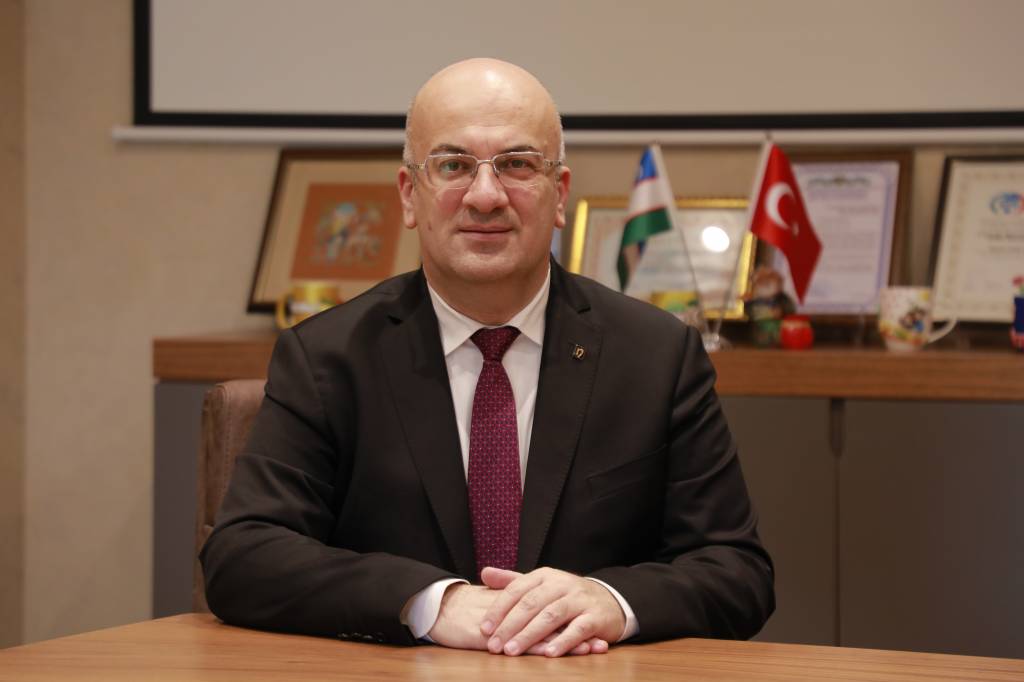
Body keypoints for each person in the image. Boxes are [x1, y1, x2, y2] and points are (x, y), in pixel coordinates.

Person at [200, 58, 774, 658]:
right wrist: (431, 602)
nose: (485, 196)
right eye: (452, 166)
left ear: (559, 194)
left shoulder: (657, 355)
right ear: (409, 195)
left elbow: (737, 570)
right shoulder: (327, 357)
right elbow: (244, 556)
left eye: (517, 164)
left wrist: (613, 599)